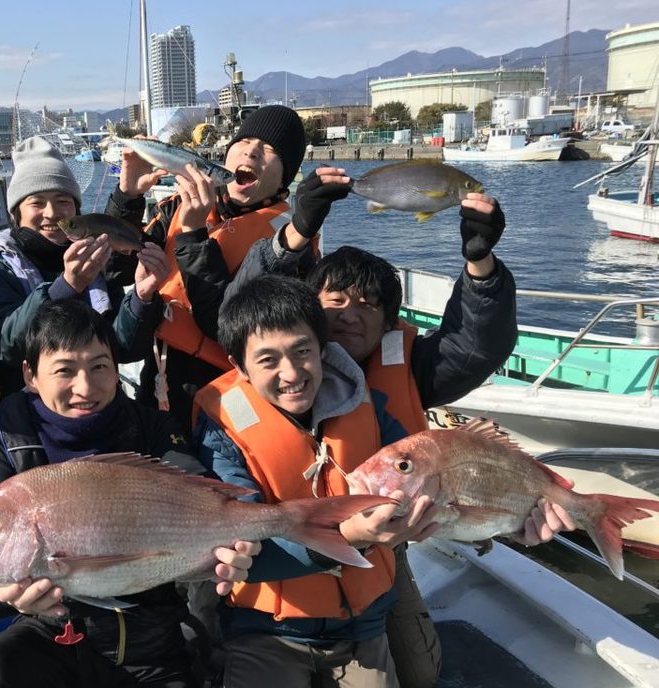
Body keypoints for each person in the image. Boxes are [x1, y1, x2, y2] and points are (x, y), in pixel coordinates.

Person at [220, 168, 570, 688]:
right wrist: (295, 233)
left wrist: (481, 266)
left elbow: (476, 346)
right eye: (335, 301)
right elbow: (243, 309)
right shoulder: (272, 366)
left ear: (389, 323)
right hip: (282, 573)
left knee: (421, 673)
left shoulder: (406, 369)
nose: (350, 314)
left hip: (389, 544)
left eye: (369, 305)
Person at [0, 299, 260, 688]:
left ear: (116, 369)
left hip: (154, 638)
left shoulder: (153, 428)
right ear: (30, 374)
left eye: (99, 367)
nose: (85, 387)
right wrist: (3, 593)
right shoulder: (5, 443)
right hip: (52, 634)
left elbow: (195, 486)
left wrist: (232, 547)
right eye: (65, 370)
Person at [193, 274, 437, 688]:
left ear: (323, 349)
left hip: (363, 624)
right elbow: (243, 552)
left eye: (302, 351)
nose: (291, 373)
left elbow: (430, 474)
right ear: (240, 366)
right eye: (268, 360)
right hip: (266, 630)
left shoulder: (368, 407)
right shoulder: (220, 430)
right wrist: (350, 536)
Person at [104, 105, 307, 425]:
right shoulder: (175, 207)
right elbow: (115, 271)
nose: (252, 151)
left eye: (269, 149)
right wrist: (127, 197)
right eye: (244, 141)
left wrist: (194, 233)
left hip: (228, 399)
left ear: (286, 178)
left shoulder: (288, 243)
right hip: (159, 377)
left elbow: (223, 327)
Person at [0, 135, 169, 395]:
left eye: (63, 201)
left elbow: (123, 349)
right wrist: (67, 287)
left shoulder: (94, 265)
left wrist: (141, 298)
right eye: (36, 202)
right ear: (15, 215)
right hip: (25, 415)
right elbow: (7, 346)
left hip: (100, 404)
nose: (51, 213)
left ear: (76, 211)